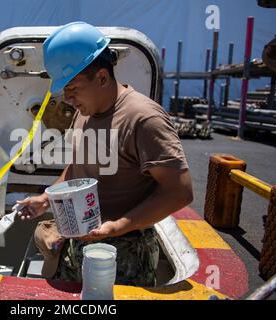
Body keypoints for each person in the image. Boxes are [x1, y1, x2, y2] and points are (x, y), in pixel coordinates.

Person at [17, 21, 193, 286]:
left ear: (101, 77)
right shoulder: (84, 112)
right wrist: (47, 199)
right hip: (78, 242)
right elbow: (79, 167)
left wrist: (118, 226)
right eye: (65, 89)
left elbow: (179, 191)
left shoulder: (143, 118)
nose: (67, 98)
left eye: (73, 88)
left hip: (124, 254)